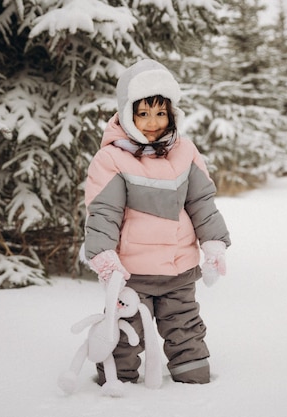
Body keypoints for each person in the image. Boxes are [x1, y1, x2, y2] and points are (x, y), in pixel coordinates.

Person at [83, 59, 231, 385]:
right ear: (127, 113)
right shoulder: (112, 158)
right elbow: (104, 211)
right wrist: (103, 255)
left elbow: (201, 203)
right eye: (143, 113)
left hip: (179, 271)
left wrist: (214, 243)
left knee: (185, 327)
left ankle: (193, 378)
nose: (152, 122)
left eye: (160, 113)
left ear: (172, 114)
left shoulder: (185, 152)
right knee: (125, 332)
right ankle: (114, 383)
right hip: (133, 274)